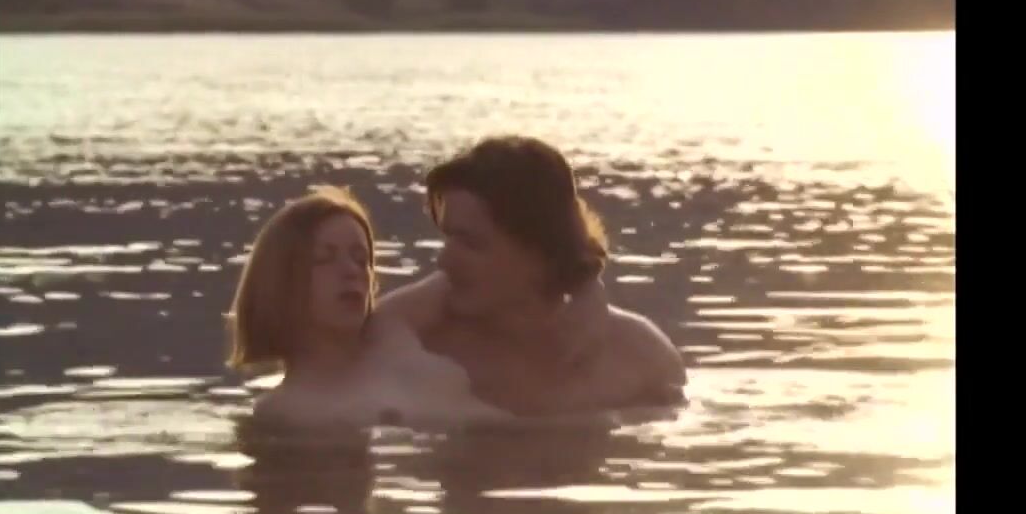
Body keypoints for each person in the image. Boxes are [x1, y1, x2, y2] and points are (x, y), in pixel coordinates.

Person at [376, 135, 687, 416]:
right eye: (448, 238)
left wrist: (586, 282)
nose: (444, 260)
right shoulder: (426, 348)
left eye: (471, 244)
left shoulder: (641, 358)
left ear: (540, 250)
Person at [225, 184, 510, 429]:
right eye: (324, 259)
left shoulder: (389, 330)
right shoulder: (284, 412)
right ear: (281, 281)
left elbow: (483, 269)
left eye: (361, 260)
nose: (352, 271)